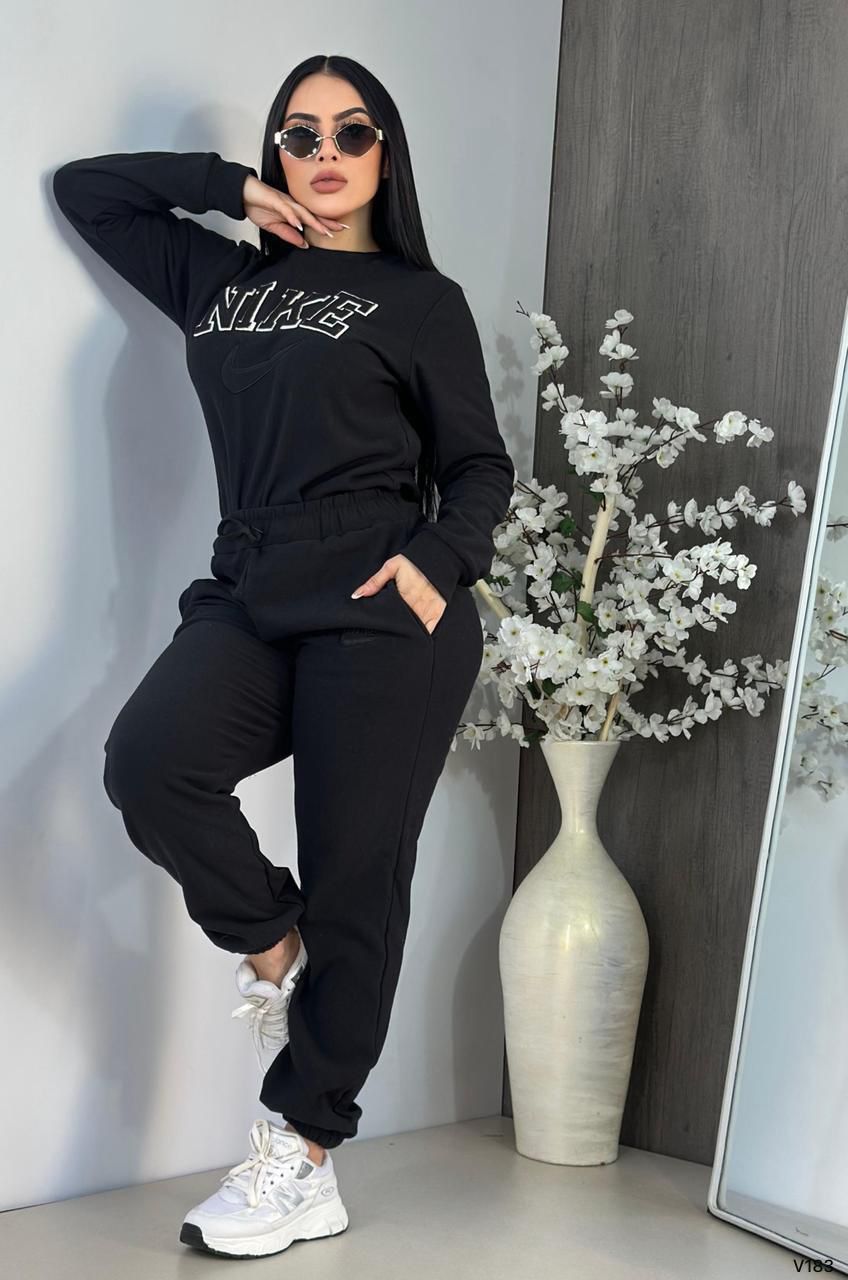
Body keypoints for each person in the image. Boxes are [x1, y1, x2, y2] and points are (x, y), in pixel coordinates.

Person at [52, 52, 514, 1260]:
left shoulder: (420, 299)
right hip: (250, 582)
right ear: (275, 156)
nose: (324, 154)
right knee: (150, 762)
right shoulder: (218, 277)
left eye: (351, 132)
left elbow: (478, 464)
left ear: (384, 155)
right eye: (298, 135)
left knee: (358, 875)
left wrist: (434, 560)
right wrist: (225, 189)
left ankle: (302, 1153)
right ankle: (277, 944)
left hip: (381, 598)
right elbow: (89, 190)